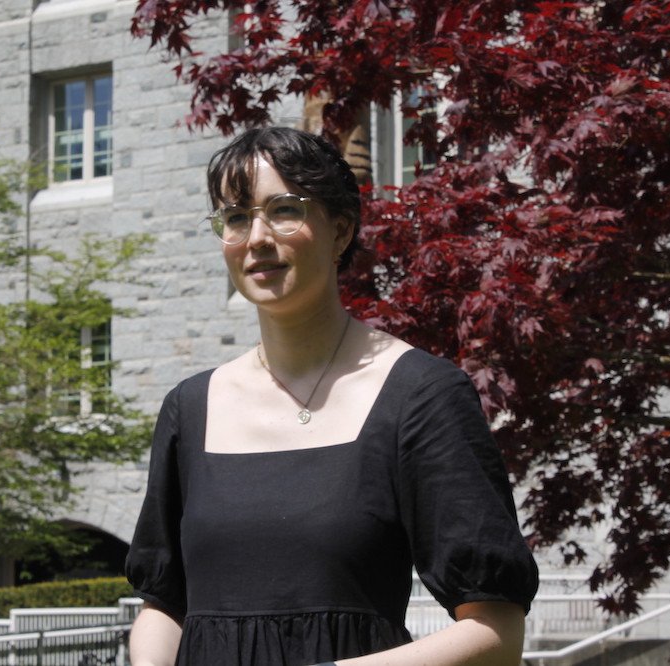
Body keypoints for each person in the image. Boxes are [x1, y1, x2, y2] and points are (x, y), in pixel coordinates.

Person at [125, 126, 539, 666]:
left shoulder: (421, 395)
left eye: (283, 210)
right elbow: (164, 605)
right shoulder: (190, 406)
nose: (256, 238)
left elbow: (495, 635)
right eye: (235, 217)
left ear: (341, 230)